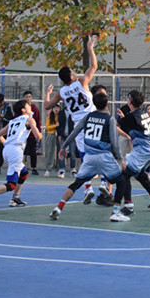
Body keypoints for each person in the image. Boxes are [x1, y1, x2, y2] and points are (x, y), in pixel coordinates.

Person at [49, 93, 129, 222]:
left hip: (89, 157)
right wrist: (121, 159)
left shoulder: (88, 117)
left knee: (77, 183)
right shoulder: (110, 119)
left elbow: (74, 132)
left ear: (94, 104)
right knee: (121, 181)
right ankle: (116, 212)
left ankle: (59, 207)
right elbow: (114, 142)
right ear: (107, 104)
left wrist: (63, 147)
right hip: (104, 156)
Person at [44, 35, 98, 202]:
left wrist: (47, 93)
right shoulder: (81, 82)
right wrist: (90, 49)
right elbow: (94, 66)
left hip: (79, 125)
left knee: (84, 155)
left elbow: (47, 106)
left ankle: (88, 186)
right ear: (72, 77)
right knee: (103, 150)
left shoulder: (61, 93)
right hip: (93, 120)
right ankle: (104, 182)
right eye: (73, 72)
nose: (75, 72)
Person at [0, 100, 42, 212]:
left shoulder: (12, 121)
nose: (30, 106)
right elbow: (38, 136)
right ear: (23, 110)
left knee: (24, 173)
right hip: (15, 151)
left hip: (7, 149)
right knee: (11, 184)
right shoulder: (29, 119)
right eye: (28, 105)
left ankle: (15, 198)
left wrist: (8, 144)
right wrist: (39, 135)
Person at [117, 90, 150, 215]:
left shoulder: (132, 116)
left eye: (128, 98)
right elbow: (132, 124)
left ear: (130, 102)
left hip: (143, 151)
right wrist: (124, 119)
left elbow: (116, 125)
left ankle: (128, 206)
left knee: (125, 174)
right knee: (139, 174)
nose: (127, 100)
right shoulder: (144, 113)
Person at [22, 90, 41, 175]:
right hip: (22, 133)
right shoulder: (21, 108)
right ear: (23, 98)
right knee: (21, 150)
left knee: (33, 151)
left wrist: (38, 133)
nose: (28, 98)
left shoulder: (35, 109)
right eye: (26, 97)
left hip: (32, 134)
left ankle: (34, 168)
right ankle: (20, 167)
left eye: (29, 97)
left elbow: (38, 121)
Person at [57, 104, 76, 178]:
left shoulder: (74, 112)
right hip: (63, 136)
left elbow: (76, 125)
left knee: (72, 153)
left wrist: (75, 135)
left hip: (71, 136)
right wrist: (59, 134)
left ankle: (73, 169)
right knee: (61, 153)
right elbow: (58, 125)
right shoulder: (61, 113)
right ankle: (62, 169)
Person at [43, 103, 61, 177]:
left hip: (59, 136)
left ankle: (58, 169)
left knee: (59, 152)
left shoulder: (61, 116)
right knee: (49, 152)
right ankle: (48, 169)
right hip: (51, 135)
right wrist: (55, 126)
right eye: (54, 108)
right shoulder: (50, 117)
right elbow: (47, 127)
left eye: (57, 107)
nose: (56, 109)